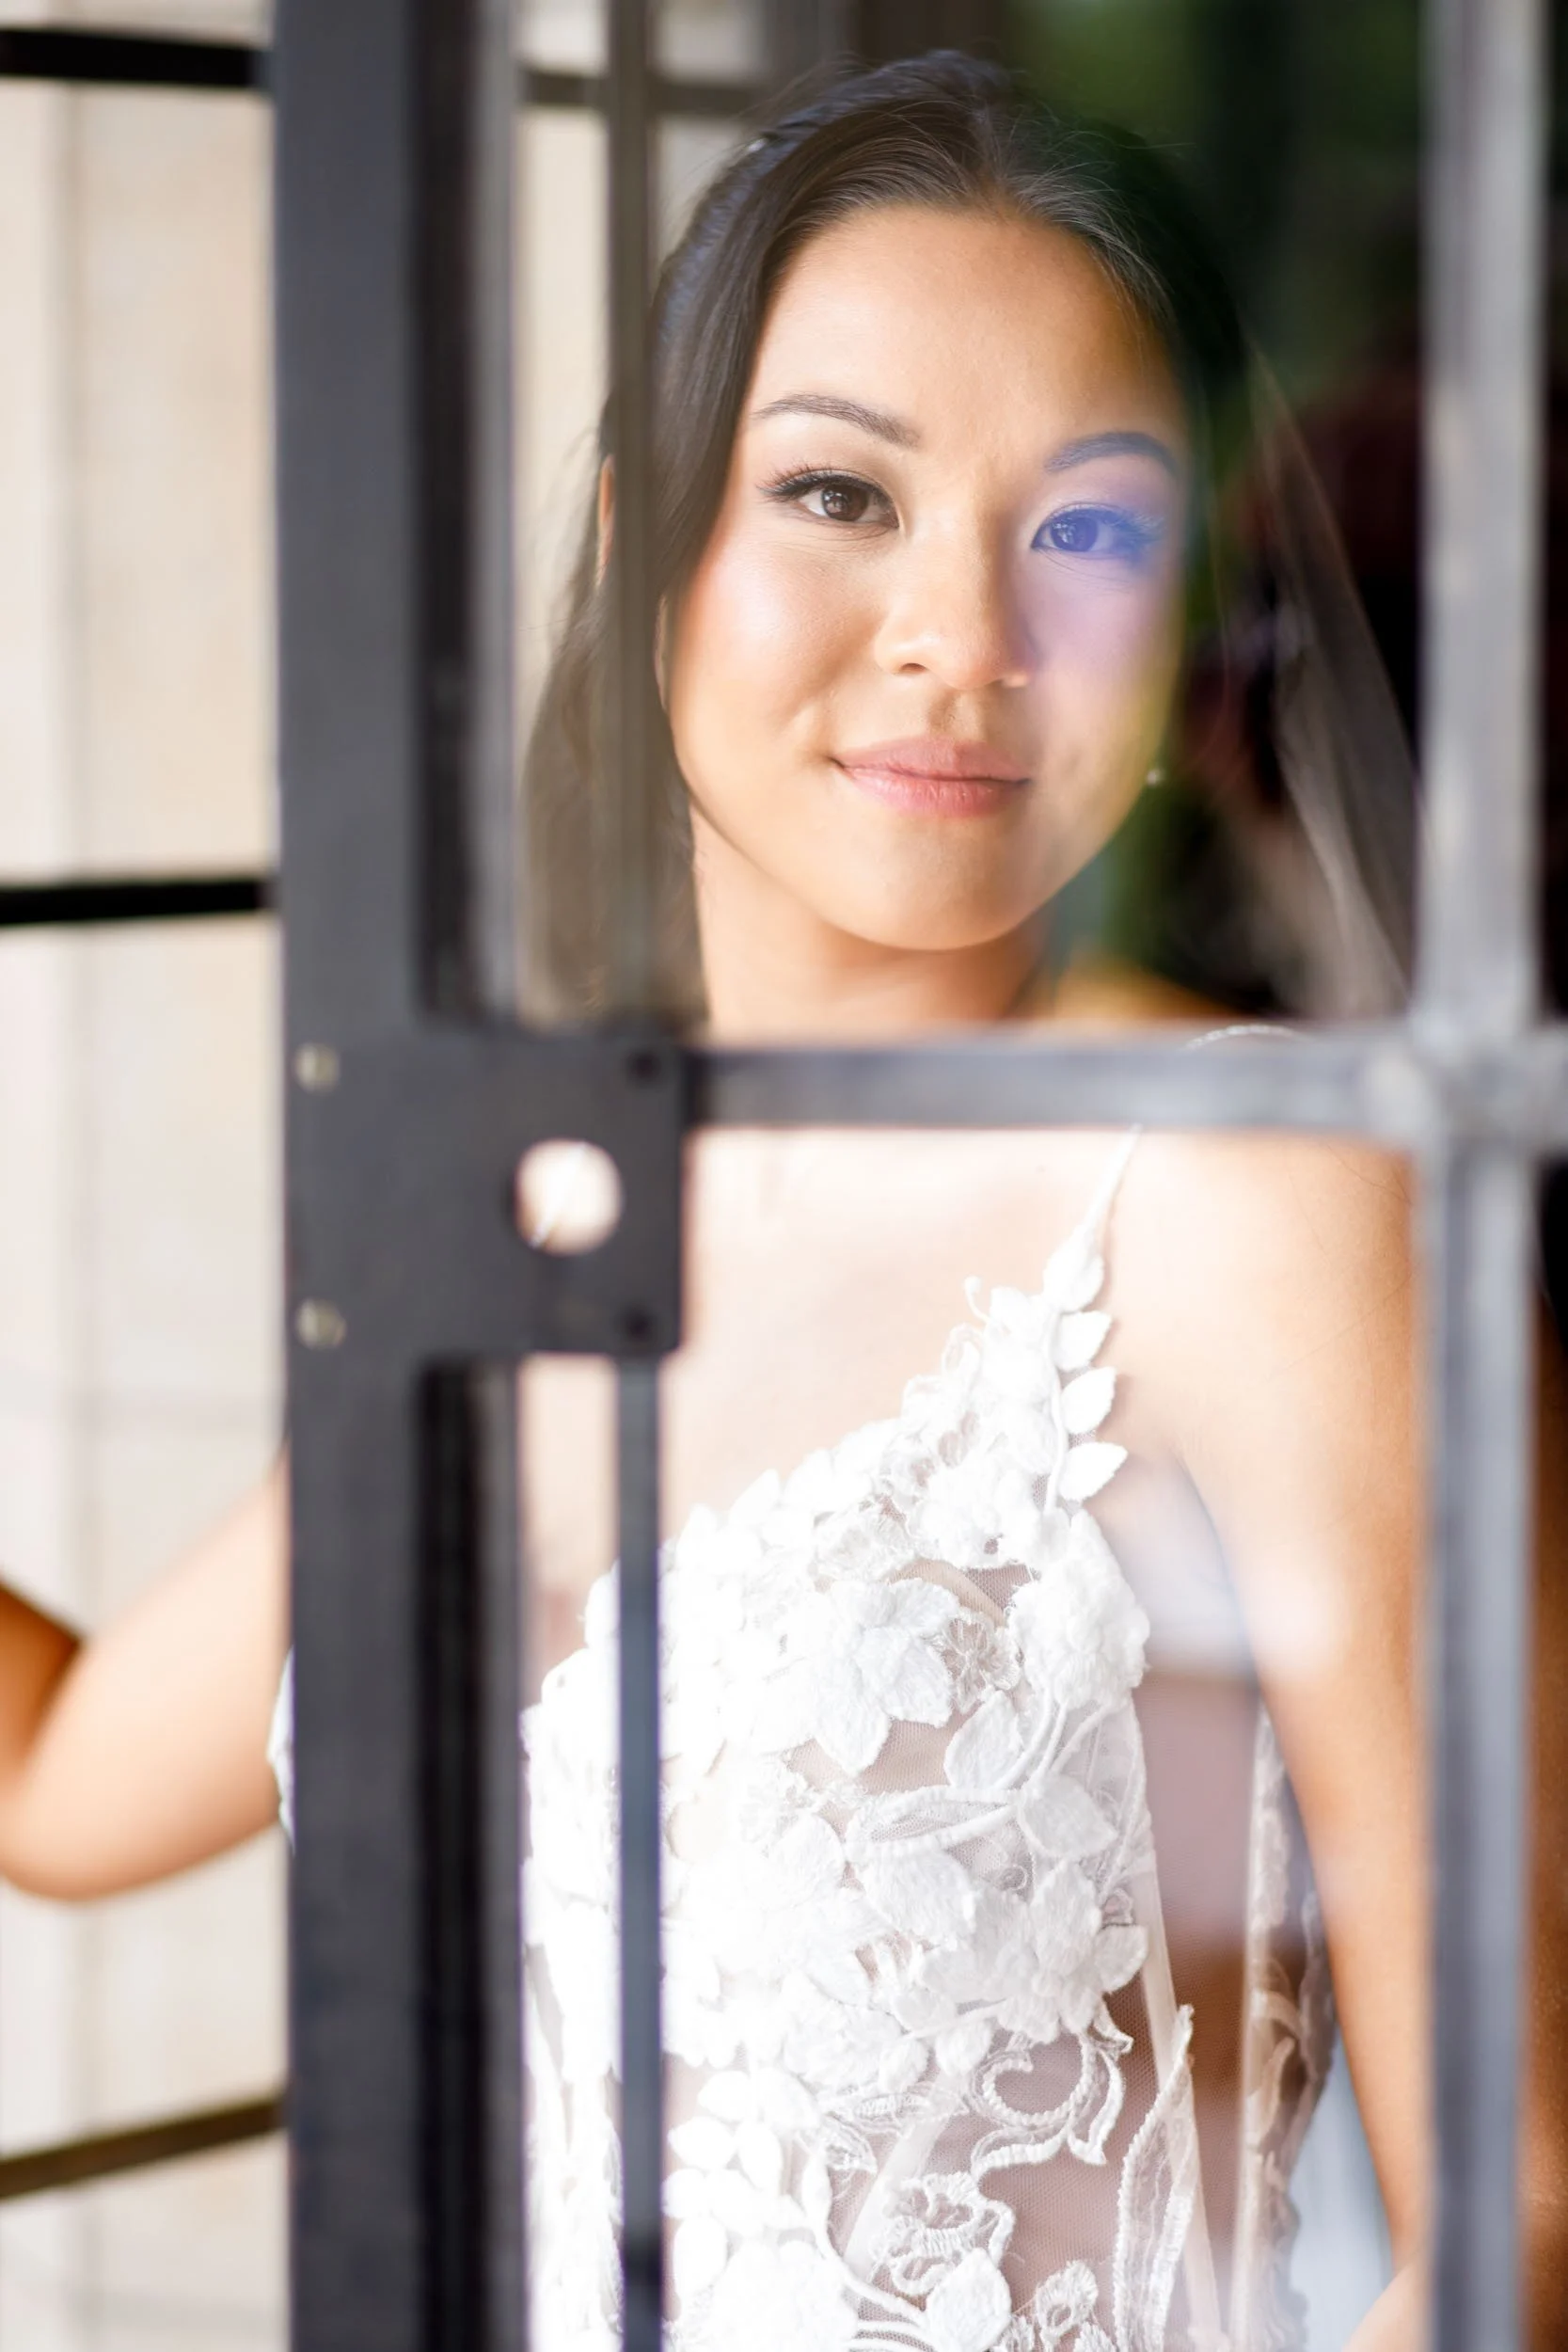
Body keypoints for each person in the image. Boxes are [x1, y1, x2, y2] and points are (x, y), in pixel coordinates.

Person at [1, 50, 1564, 2352]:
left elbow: (1520, 2202)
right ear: (645, 551)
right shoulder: (522, 1187)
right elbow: (61, 1784)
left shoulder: (1261, 1184)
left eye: (1090, 530)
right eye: (842, 491)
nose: (961, 631)